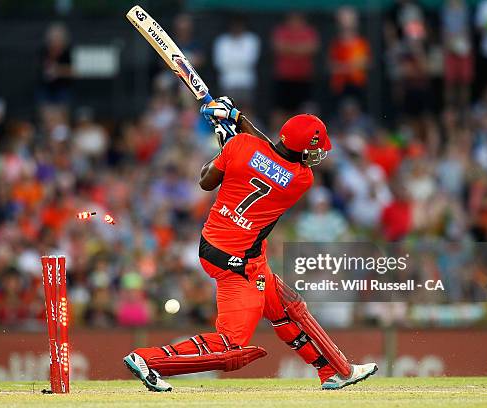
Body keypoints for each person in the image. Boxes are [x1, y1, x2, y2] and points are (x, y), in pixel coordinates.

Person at [123, 96, 377, 392]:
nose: (317, 155)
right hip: (239, 263)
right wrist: (237, 121)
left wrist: (228, 143)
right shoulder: (301, 179)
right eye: (315, 149)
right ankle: (147, 360)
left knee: (289, 308)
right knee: (231, 346)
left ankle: (336, 371)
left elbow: (207, 180)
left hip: (215, 245)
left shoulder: (240, 147)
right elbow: (270, 156)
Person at [272, 13, 320, 113]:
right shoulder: (282, 31)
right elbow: (279, 47)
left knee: (306, 112)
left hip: (304, 79)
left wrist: (290, 49)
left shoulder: (309, 31)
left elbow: (312, 48)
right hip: (284, 78)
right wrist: (300, 49)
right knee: (281, 111)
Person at [213, 16, 260, 106]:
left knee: (246, 110)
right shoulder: (222, 41)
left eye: (239, 25)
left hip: (246, 82)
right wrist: (240, 60)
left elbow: (249, 62)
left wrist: (231, 61)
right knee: (228, 111)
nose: (237, 28)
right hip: (227, 82)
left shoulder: (251, 39)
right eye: (234, 25)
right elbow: (220, 64)